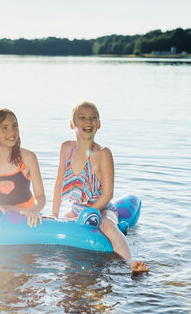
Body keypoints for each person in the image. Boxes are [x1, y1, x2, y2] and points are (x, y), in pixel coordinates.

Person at [51, 101, 149, 273]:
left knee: (107, 225)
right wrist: (54, 213)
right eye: (82, 118)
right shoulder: (66, 148)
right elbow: (59, 184)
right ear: (72, 124)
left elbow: (108, 194)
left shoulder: (103, 153)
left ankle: (129, 262)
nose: (88, 122)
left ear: (99, 124)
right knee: (57, 226)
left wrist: (89, 213)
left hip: (102, 208)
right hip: (76, 209)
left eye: (92, 118)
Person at [0, 108, 46, 227]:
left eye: (15, 126)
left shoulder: (28, 158)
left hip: (26, 212)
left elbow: (41, 197)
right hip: (2, 211)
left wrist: (33, 210)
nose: (12, 132)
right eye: (4, 128)